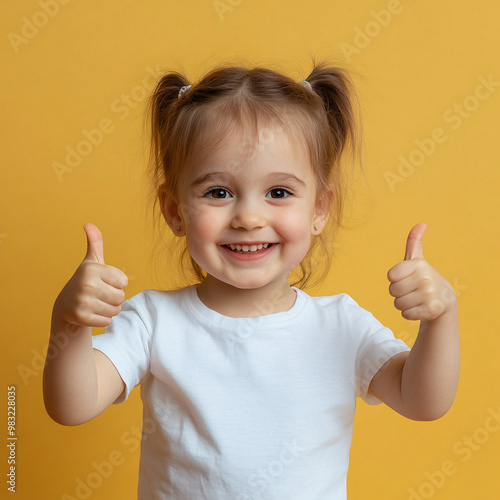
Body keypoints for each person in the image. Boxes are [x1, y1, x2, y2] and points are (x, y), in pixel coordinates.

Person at [43, 60, 460, 500]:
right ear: (174, 211)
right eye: (218, 192)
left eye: (278, 192)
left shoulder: (341, 326)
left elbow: (423, 401)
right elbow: (72, 406)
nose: (248, 218)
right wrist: (69, 323)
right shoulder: (152, 320)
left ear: (319, 209)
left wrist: (441, 318)